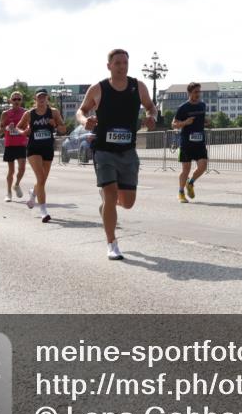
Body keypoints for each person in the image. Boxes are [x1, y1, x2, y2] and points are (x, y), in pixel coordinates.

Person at [76, 49, 158, 260]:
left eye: (125, 62)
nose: (122, 66)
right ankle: (112, 243)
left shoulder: (137, 86)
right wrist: (85, 121)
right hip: (104, 150)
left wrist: (152, 117)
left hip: (128, 151)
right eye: (118, 63)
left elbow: (150, 107)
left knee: (128, 202)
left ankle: (107, 205)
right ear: (109, 66)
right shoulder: (99, 88)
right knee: (111, 195)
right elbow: (81, 110)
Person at [15, 89, 66, 222]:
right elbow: (17, 127)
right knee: (41, 177)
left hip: (48, 149)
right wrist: (24, 131)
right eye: (39, 97)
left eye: (44, 97)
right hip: (33, 149)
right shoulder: (29, 114)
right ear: (35, 99)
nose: (42, 99)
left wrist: (55, 125)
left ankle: (33, 193)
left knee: (42, 180)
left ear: (47, 98)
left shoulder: (53, 112)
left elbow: (63, 129)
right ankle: (43, 211)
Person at [171, 82, 209, 203]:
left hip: (200, 142)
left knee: (203, 167)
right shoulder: (183, 108)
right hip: (186, 143)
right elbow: (173, 125)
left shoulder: (202, 105)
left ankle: (190, 183)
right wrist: (185, 123)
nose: (198, 94)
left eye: (199, 91)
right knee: (185, 170)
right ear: (189, 93)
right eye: (195, 92)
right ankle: (181, 193)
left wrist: (206, 122)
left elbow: (201, 121)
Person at [0, 91, 29, 202]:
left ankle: (16, 185)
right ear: (10, 101)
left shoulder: (26, 113)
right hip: (10, 144)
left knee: (22, 168)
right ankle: (8, 193)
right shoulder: (5, 113)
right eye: (14, 99)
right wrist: (6, 128)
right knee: (11, 171)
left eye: (19, 99)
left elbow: (28, 128)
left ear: (21, 101)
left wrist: (25, 130)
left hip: (21, 144)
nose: (16, 101)